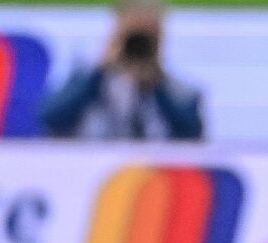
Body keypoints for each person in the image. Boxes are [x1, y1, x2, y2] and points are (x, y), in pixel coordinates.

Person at [39, 0, 203, 141]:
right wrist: (100, 71)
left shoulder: (178, 90)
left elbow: (192, 134)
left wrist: (156, 84)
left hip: (152, 172)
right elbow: (50, 118)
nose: (137, 46)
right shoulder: (87, 79)